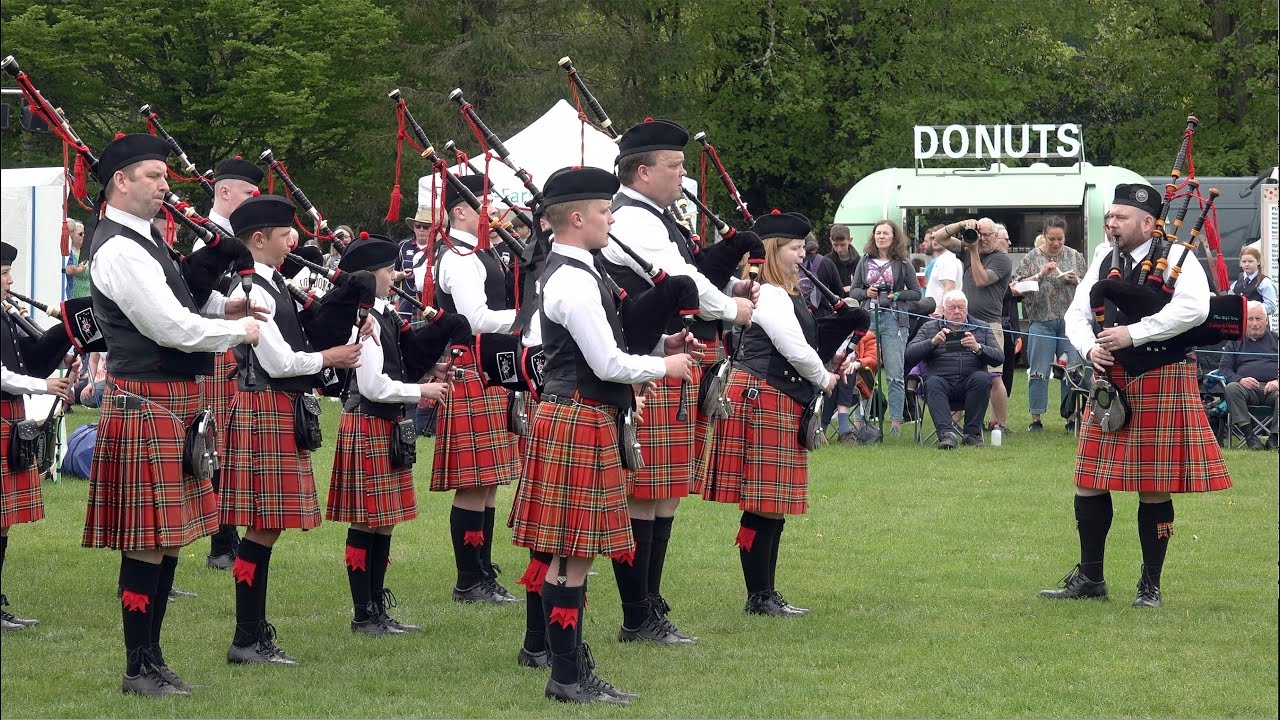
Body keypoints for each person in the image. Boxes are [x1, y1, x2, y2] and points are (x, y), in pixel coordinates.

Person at [80, 134, 261, 696]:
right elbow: (169, 328)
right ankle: (138, 666)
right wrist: (239, 330)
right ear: (121, 182)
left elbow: (181, 304)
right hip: (147, 404)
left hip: (171, 406)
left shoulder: (147, 239)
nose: (165, 187)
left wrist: (225, 306)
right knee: (145, 539)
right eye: (155, 176)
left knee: (166, 538)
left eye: (164, 176)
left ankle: (153, 658)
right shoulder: (118, 248)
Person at [508, 165, 694, 705]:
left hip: (578, 416)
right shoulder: (571, 279)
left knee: (567, 549)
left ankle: (566, 664)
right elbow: (607, 362)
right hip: (579, 419)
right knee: (572, 553)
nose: (611, 220)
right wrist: (669, 367)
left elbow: (602, 347)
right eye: (604, 212)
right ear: (576, 217)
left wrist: (658, 349)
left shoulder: (577, 271)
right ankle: (567, 675)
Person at [598, 118, 755, 645]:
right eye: (675, 166)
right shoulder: (635, 221)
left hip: (670, 361)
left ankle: (649, 600)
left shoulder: (656, 215)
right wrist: (733, 309)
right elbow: (683, 283)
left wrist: (730, 265)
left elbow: (693, 268)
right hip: (648, 367)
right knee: (645, 495)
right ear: (643, 172)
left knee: (664, 495)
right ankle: (636, 613)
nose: (683, 176)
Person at [1042, 182, 1232, 608]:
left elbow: (1194, 309)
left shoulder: (1179, 258)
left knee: (1154, 485)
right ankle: (1091, 578)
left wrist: (1133, 333)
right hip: (1112, 379)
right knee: (1089, 480)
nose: (1111, 223)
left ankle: (1150, 585)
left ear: (1148, 223)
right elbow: (1077, 310)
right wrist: (1089, 348)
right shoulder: (1102, 257)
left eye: (1120, 217)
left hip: (1160, 376)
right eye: (1110, 216)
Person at [219, 195, 363, 664]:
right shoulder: (253, 290)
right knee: (263, 527)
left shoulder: (271, 282)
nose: (293, 242)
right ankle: (246, 638)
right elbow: (278, 361)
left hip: (276, 408)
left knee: (266, 528)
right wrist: (331, 358)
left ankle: (252, 633)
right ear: (258, 239)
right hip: (266, 405)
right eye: (285, 235)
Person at [702, 211, 851, 616]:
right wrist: (824, 378)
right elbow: (792, 347)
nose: (802, 255)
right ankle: (759, 594)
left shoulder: (788, 290)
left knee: (772, 501)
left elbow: (806, 341)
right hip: (763, 395)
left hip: (776, 395)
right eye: (794, 248)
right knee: (763, 500)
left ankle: (765, 592)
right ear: (772, 250)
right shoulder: (767, 292)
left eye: (803, 247)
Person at [326, 237, 452, 634]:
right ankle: (363, 613)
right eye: (388, 270)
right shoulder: (362, 321)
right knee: (366, 522)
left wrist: (429, 372)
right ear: (370, 275)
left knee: (384, 522)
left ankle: (376, 607)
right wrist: (422, 392)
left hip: (385, 425)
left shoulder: (384, 315)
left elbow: (394, 368)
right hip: (368, 421)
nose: (395, 275)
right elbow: (374, 386)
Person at [431, 174, 522, 604]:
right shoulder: (458, 257)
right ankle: (469, 578)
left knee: (488, 482)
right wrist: (525, 321)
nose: (492, 212)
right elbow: (475, 318)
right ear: (460, 211)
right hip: (471, 370)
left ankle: (482, 569)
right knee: (474, 481)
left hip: (489, 370)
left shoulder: (475, 252)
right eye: (482, 205)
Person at [2, 241, 76, 630]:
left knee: (3, 522)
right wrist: (43, 386)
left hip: (9, 418)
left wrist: (66, 343)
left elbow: (27, 355)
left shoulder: (4, 311)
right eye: (2, 274)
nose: (10, 279)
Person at [202, 157, 266, 572]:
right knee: (213, 449)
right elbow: (193, 300)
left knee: (227, 447)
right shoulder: (203, 239)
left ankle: (226, 536)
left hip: (233, 348)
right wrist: (229, 309)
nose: (250, 201)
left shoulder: (233, 237)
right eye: (247, 194)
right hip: (211, 352)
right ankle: (221, 542)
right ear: (225, 192)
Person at [936, 217, 1013, 433]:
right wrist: (962, 225)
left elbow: (980, 280)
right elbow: (940, 237)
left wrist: (972, 251)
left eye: (988, 235)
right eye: (981, 233)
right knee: (962, 372)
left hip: (990, 324)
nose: (983, 239)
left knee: (994, 376)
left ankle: (1000, 424)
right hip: (964, 323)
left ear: (996, 237)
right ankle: (961, 421)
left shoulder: (1001, 260)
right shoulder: (968, 248)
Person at [1011, 216, 1086, 432]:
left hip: (1070, 323)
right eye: (1051, 238)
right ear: (1044, 235)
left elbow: (1090, 285)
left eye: (1060, 239)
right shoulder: (1031, 258)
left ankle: (1071, 416)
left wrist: (1076, 281)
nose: (1056, 243)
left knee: (1072, 369)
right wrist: (1040, 275)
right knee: (1038, 371)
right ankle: (1036, 419)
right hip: (1041, 321)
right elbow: (1016, 287)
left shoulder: (1075, 256)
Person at [847, 220, 921, 437]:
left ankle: (896, 424)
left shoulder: (904, 263)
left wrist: (896, 295)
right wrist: (866, 293)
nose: (881, 236)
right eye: (878, 233)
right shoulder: (864, 260)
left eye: (885, 233)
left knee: (895, 374)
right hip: (868, 317)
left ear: (893, 237)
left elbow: (916, 292)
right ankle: (860, 421)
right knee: (864, 369)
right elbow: (854, 291)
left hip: (895, 320)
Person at [904, 290, 1003, 448]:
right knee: (933, 382)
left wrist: (978, 347)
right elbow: (909, 354)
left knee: (983, 378)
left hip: (970, 383)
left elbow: (999, 357)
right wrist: (932, 342)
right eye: (952, 308)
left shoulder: (981, 327)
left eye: (961, 308)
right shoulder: (929, 327)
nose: (957, 312)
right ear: (943, 310)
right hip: (941, 382)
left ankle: (972, 434)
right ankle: (947, 434)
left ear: (967, 309)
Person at [1218, 301, 1278, 450]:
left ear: (1266, 321)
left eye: (1258, 319)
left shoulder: (1276, 340)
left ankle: (1274, 438)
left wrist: (1278, 381)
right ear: (1245, 321)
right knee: (1232, 388)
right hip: (1246, 391)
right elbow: (1224, 369)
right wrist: (1240, 379)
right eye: (1250, 319)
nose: (1254, 323)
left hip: (1273, 390)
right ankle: (1250, 437)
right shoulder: (1234, 342)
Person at [396, 208, 432, 320]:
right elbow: (391, 273)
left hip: (431, 305)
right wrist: (402, 274)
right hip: (406, 304)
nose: (421, 230)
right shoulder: (403, 246)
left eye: (425, 227)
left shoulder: (439, 248)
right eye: (418, 226)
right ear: (414, 228)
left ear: (432, 229)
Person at [799, 234, 842, 318]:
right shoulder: (826, 262)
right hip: (823, 317)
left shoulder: (791, 263)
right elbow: (838, 293)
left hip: (799, 317)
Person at [1228, 246, 1277, 315]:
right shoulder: (1236, 283)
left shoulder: (1265, 282)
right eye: (1244, 261)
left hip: (1257, 324)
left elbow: (1271, 307)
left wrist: (1251, 307)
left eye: (1250, 261)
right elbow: (1230, 301)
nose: (1247, 264)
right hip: (1239, 323)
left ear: (1258, 262)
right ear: (1240, 263)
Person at [922, 224, 962, 308]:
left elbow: (949, 289)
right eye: (933, 238)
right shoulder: (942, 259)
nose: (935, 240)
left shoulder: (948, 259)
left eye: (940, 237)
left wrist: (940, 310)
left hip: (939, 313)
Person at [826, 224, 860, 295]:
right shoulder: (826, 262)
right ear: (830, 240)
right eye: (835, 245)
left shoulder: (860, 261)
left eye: (843, 245)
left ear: (850, 240)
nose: (839, 249)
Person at [64, 219, 91, 299]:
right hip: (76, 299)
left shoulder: (85, 252)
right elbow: (68, 269)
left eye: (84, 234)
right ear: (72, 236)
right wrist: (80, 269)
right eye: (80, 234)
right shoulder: (69, 254)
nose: (83, 236)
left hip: (89, 299)